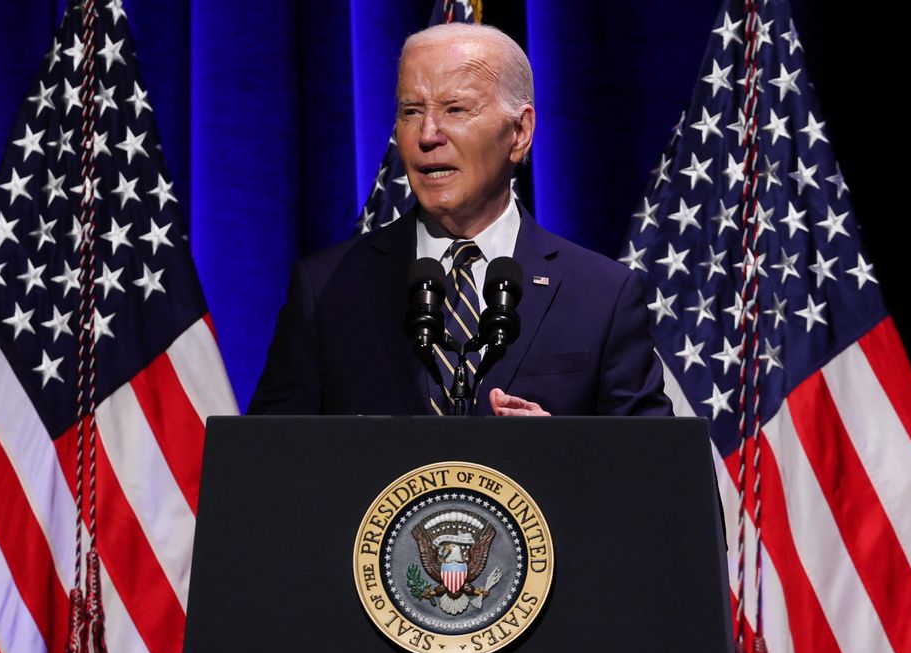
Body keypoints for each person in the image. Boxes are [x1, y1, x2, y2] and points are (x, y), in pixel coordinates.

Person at [248, 23, 672, 417]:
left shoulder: (602, 295)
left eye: (455, 109)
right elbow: (264, 468)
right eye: (411, 111)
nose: (428, 134)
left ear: (520, 132)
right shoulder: (327, 289)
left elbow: (657, 474)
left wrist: (561, 455)